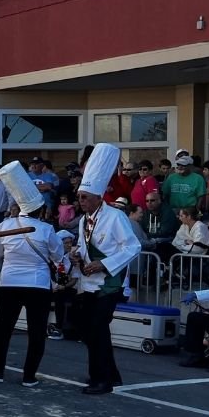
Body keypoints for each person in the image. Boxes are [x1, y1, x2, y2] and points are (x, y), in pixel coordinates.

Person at [0, 161, 64, 387]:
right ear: (40, 210)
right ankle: (29, 376)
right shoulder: (47, 229)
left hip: (10, 283)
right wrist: (64, 274)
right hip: (38, 285)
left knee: (3, 329)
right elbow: (59, 257)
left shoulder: (5, 226)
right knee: (37, 332)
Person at [71, 143, 141, 395]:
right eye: (79, 197)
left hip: (111, 283)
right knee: (88, 328)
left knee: (97, 328)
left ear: (99, 197)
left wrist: (104, 263)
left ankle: (102, 379)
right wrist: (76, 254)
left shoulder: (115, 217)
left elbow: (133, 247)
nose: (81, 202)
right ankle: (108, 372)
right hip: (90, 283)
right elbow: (82, 245)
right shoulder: (83, 222)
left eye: (85, 197)